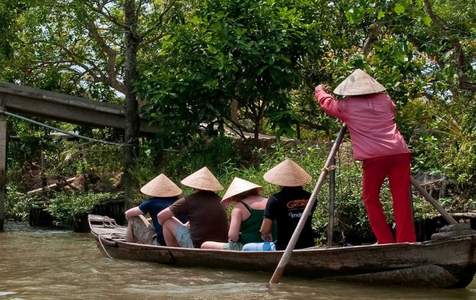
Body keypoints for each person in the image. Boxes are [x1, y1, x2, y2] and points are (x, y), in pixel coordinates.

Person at [314, 68, 416, 244]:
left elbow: (327, 103)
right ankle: (406, 241)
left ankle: (385, 241)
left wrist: (319, 90)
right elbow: (392, 111)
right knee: (401, 199)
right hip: (399, 152)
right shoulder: (385, 100)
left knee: (370, 198)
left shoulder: (346, 106)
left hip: (375, 158)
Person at [157, 167, 228, 248]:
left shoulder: (189, 200)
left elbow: (160, 216)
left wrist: (162, 227)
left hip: (198, 246)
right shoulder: (220, 200)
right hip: (219, 245)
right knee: (188, 224)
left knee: (167, 222)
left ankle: (174, 254)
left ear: (194, 186)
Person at [201, 177, 273, 251]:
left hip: (246, 246)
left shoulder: (239, 208)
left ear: (236, 196)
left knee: (205, 245)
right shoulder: (271, 201)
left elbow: (233, 237)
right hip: (271, 245)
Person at [259, 158, 315, 251]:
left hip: (284, 247)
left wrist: (265, 235)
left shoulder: (275, 199)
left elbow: (264, 230)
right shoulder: (312, 198)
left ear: (280, 181)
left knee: (247, 247)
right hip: (308, 245)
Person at [124, 173, 185, 245]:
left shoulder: (151, 202)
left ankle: (129, 244)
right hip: (180, 241)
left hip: (160, 242)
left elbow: (128, 213)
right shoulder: (180, 202)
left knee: (132, 218)